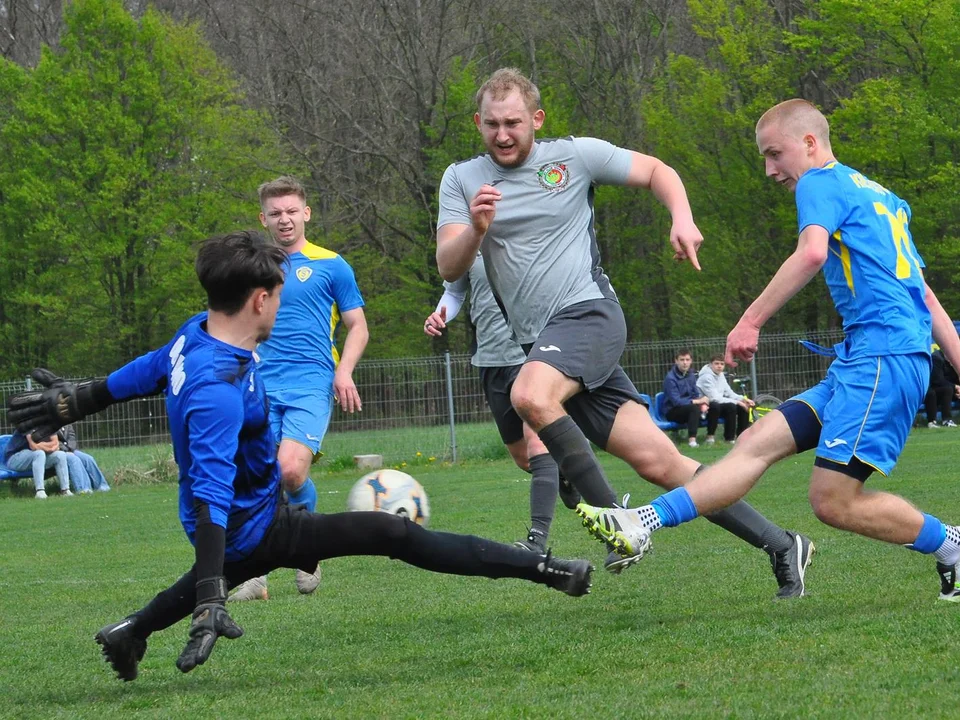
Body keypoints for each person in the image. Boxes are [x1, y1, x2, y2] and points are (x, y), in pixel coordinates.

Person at [5, 230, 593, 682]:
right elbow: (210, 491)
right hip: (248, 526)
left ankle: (129, 632)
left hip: (255, 511)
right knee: (396, 537)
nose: (281, 306)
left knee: (378, 538)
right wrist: (212, 591)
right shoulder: (215, 389)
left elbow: (152, 367)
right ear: (261, 299)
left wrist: (80, 399)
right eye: (281, 296)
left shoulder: (199, 332)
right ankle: (542, 569)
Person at [577, 99, 960, 603]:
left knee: (832, 501)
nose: (772, 170)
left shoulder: (820, 181)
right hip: (866, 358)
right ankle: (641, 521)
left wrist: (750, 320)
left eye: (776, 154)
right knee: (756, 444)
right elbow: (922, 294)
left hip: (883, 360)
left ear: (811, 144)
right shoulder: (880, 196)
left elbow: (813, 252)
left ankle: (954, 544)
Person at [436, 68, 812, 596]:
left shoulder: (575, 156)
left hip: (589, 316)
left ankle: (619, 523)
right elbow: (449, 267)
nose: (503, 134)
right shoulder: (461, 179)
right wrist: (476, 229)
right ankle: (782, 543)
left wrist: (681, 217)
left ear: (536, 120)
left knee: (529, 394)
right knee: (662, 463)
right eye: (492, 124)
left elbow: (658, 171)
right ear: (478, 123)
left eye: (514, 123)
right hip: (541, 342)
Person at [231, 176, 370, 602]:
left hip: (312, 382)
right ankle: (256, 576)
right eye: (276, 213)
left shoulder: (331, 265)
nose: (285, 219)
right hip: (260, 386)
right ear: (264, 218)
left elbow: (358, 326)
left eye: (292, 211)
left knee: (291, 471)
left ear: (306, 213)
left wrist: (343, 371)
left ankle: (307, 547)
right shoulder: (251, 269)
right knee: (260, 476)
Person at [423, 251, 578, 553]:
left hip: (532, 354)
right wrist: (439, 314)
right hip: (491, 361)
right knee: (524, 459)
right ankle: (566, 472)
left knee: (537, 446)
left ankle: (537, 539)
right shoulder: (469, 243)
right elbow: (454, 293)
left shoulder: (528, 234)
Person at [660, 349, 714, 447]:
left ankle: (711, 438)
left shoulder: (691, 375)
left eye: (687, 359)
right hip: (672, 411)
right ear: (676, 361)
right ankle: (692, 441)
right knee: (693, 408)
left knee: (714, 405)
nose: (685, 363)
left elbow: (695, 394)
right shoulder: (670, 378)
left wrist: (703, 404)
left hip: (688, 407)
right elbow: (676, 401)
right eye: (682, 360)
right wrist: (697, 401)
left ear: (691, 361)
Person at [696, 354, 754, 443]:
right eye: (716, 363)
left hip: (718, 405)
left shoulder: (720, 375)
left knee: (743, 407)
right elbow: (714, 398)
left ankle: (741, 437)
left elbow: (729, 392)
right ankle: (729, 438)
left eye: (722, 364)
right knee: (731, 406)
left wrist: (743, 399)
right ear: (710, 364)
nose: (719, 366)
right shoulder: (706, 377)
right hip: (706, 407)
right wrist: (738, 402)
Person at [4, 431, 73, 499]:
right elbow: (33, 446)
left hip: (35, 457)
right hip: (14, 459)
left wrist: (47, 447)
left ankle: (65, 490)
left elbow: (56, 443)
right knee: (39, 453)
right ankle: (40, 492)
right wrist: (49, 447)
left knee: (60, 455)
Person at [59, 424, 111, 493]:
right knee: (74, 459)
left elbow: (72, 437)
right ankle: (83, 489)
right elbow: (53, 441)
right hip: (57, 452)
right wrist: (66, 450)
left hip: (70, 449)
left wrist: (70, 449)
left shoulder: (66, 422)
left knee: (88, 458)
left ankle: (102, 486)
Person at [923, 349, 957, 428]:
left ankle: (947, 420)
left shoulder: (956, 358)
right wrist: (955, 386)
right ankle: (931, 422)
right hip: (927, 387)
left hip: (938, 388)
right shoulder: (936, 358)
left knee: (948, 389)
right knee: (931, 393)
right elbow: (937, 380)